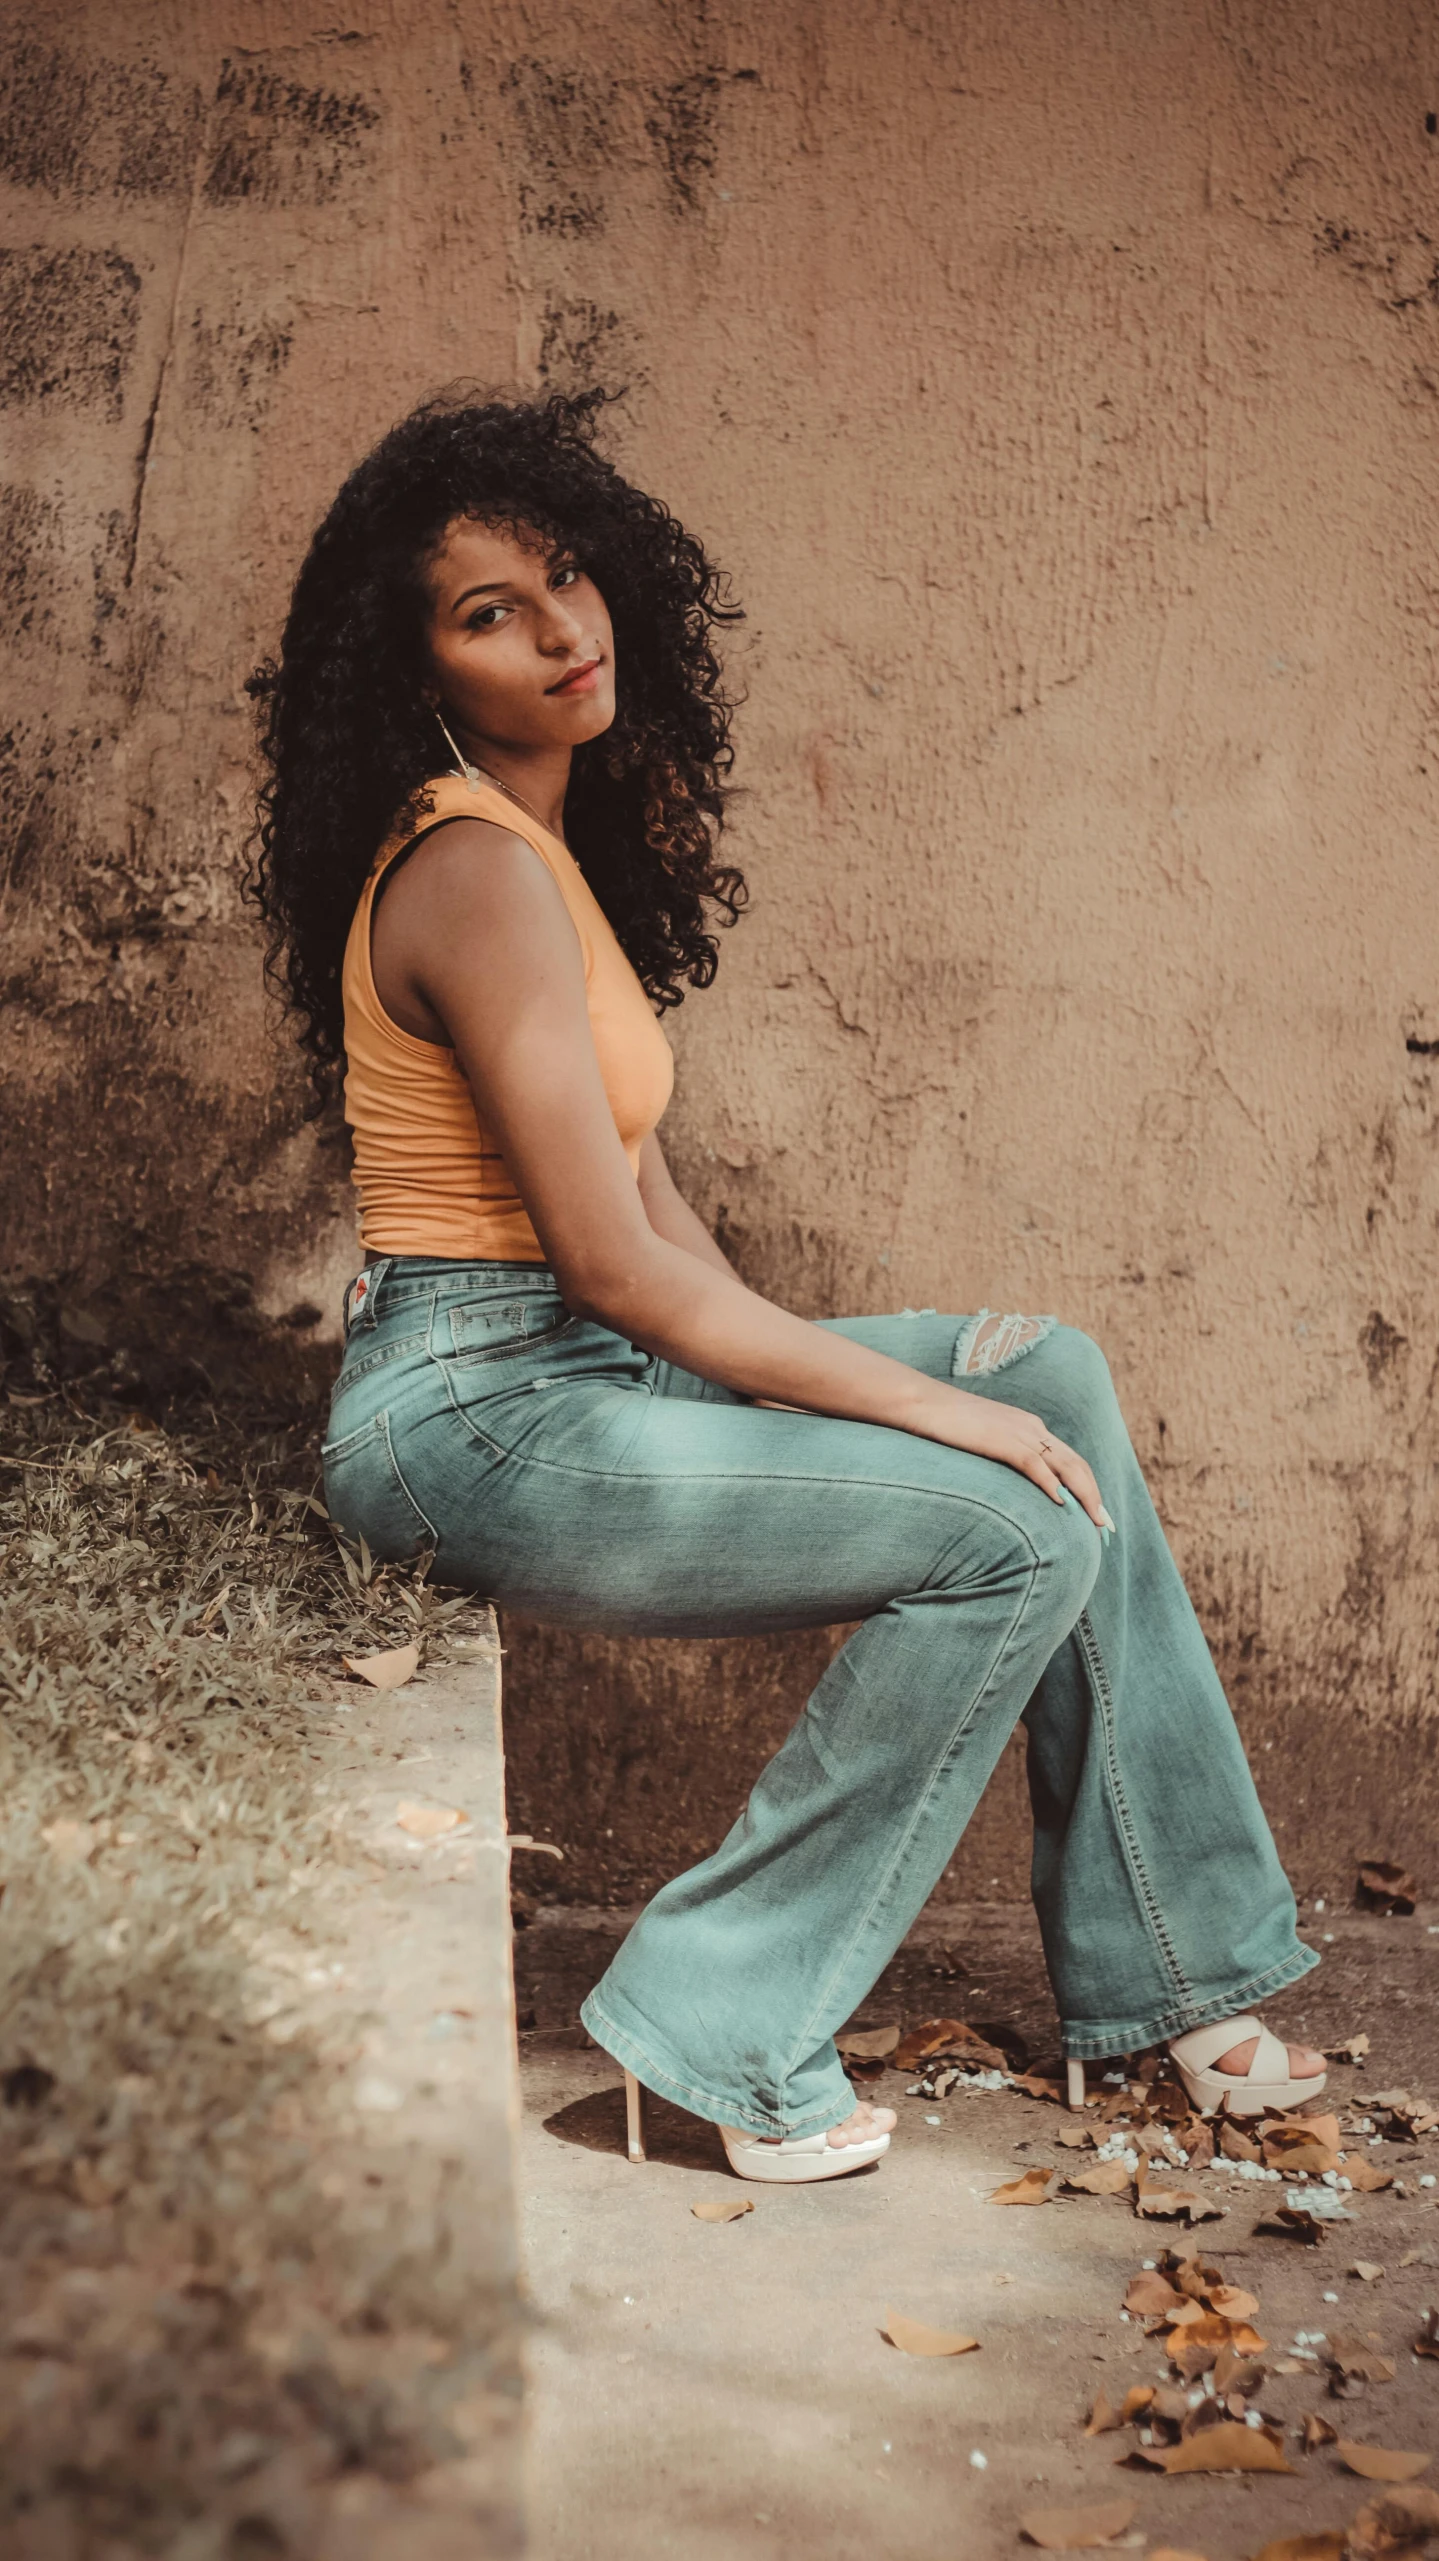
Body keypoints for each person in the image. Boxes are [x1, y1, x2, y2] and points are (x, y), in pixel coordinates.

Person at [250, 389, 1322, 2185]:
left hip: (580, 1367)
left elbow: (667, 1239)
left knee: (1046, 1375)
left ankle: (1170, 1977)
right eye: (487, 612)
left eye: (567, 580)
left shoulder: (540, 856)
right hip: (475, 1411)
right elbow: (600, 1267)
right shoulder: (469, 875)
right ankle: (714, 2025)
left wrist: (884, 1390)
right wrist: (922, 1414)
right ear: (409, 662)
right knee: (1013, 1525)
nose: (559, 632)